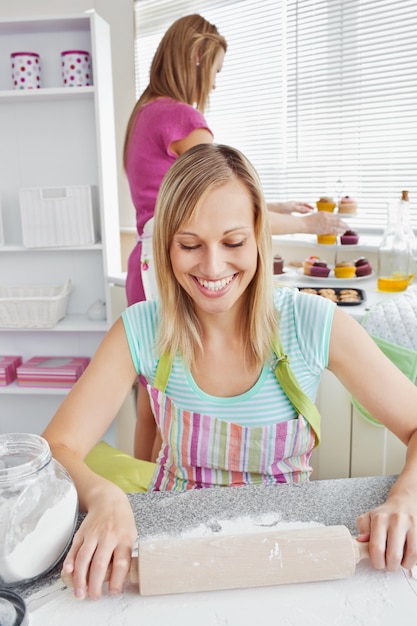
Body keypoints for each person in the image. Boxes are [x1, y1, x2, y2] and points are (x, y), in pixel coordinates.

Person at [43, 143, 417, 600]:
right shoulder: (140, 329)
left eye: (233, 242)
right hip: (171, 553)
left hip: (284, 549)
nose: (213, 266)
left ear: (259, 235)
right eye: (189, 244)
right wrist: (103, 496)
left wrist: (405, 499)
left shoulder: (313, 323)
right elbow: (55, 448)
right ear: (166, 246)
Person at [123, 13, 347, 461]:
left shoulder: (144, 114)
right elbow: (219, 202)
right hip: (164, 264)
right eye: (218, 70)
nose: (217, 84)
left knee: (154, 398)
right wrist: (308, 226)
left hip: (147, 259)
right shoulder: (183, 117)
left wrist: (277, 207)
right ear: (198, 57)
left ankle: (145, 493)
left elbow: (220, 202)